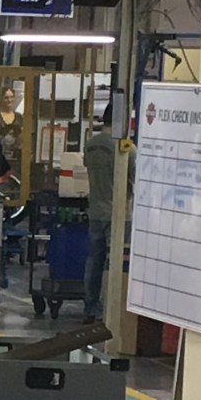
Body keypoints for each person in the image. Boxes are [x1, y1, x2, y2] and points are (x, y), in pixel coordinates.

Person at [83, 106, 117, 321]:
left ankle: (90, 307)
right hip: (118, 214)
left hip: (95, 210)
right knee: (115, 263)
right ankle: (111, 309)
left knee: (94, 260)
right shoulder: (123, 147)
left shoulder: (90, 144)